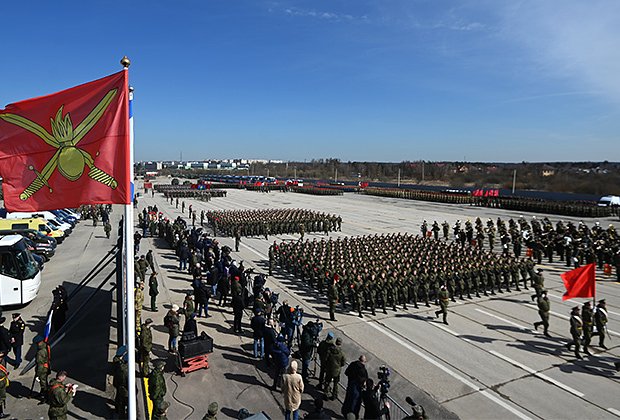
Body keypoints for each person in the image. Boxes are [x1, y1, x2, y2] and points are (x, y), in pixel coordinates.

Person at [112, 346, 128, 416]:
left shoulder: (116, 361)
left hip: (117, 383)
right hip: (123, 386)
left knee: (118, 397)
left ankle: (117, 409)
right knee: (122, 401)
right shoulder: (124, 368)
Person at [34, 335, 51, 400]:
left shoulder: (40, 352)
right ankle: (43, 393)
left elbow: (40, 364)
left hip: (43, 369)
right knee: (44, 382)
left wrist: (38, 373)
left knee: (43, 383)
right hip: (47, 367)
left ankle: (45, 396)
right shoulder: (46, 346)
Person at [0, 351, 9, 419]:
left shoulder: (3, 361)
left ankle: (1, 413)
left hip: (2, 383)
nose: (1, 358)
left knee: (2, 399)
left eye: (1, 357)